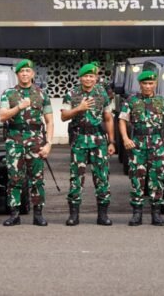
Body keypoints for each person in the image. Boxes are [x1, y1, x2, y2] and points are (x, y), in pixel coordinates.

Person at [0, 59, 54, 227]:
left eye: (27, 71)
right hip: (14, 141)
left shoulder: (41, 94)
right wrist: (19, 107)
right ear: (17, 74)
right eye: (21, 71)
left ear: (33, 74)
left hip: (36, 141)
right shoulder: (8, 94)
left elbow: (49, 121)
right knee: (14, 178)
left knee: (37, 178)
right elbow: (2, 116)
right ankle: (14, 214)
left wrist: (49, 143)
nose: (24, 74)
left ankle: (38, 214)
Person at [118, 70, 164, 226]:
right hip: (138, 143)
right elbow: (122, 120)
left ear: (155, 84)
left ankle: (156, 213)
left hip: (157, 143)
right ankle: (137, 213)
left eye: (151, 83)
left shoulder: (162, 101)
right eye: (145, 83)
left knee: (157, 178)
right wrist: (125, 138)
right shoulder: (132, 100)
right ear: (140, 84)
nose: (148, 86)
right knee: (137, 178)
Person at [62, 63, 116, 226]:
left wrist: (111, 141)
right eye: (85, 76)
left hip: (98, 140)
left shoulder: (102, 93)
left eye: (91, 76)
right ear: (80, 78)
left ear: (96, 78)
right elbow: (64, 116)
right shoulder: (72, 93)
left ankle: (103, 215)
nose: (88, 79)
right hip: (79, 139)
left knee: (102, 177)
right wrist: (79, 108)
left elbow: (108, 118)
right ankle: (74, 215)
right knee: (76, 177)